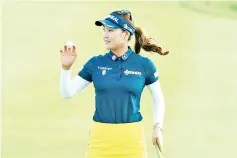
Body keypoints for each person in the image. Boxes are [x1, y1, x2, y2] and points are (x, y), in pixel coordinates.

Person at [60, 9, 168, 158]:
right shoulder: (96, 63)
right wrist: (66, 69)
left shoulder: (144, 65)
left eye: (110, 30)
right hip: (100, 140)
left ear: (125, 34)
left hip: (132, 141)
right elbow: (67, 93)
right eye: (104, 30)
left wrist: (158, 127)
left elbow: (158, 97)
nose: (105, 35)